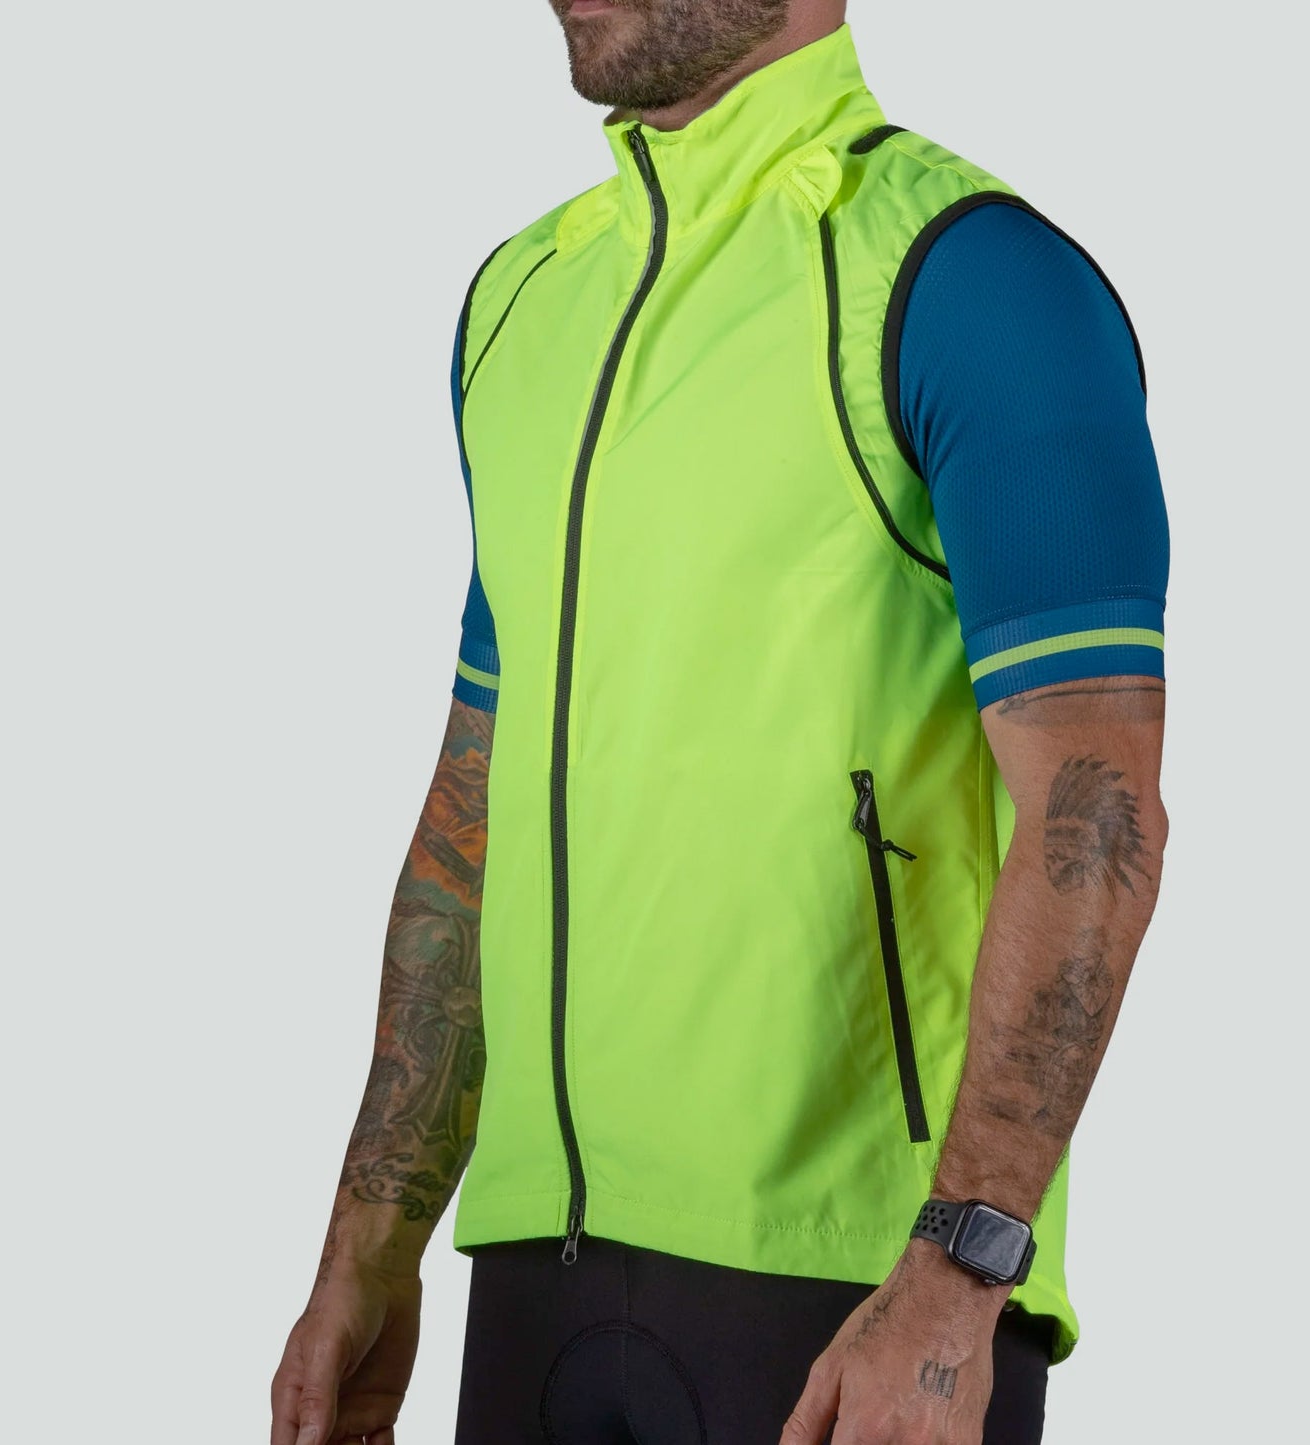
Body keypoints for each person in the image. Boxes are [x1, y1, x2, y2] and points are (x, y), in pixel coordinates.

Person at [270, 1, 1170, 1441]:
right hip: (535, 1278)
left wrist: (960, 1273)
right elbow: (475, 797)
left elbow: (1096, 810)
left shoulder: (971, 282)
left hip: (856, 1293)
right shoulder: (523, 302)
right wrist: (369, 1245)